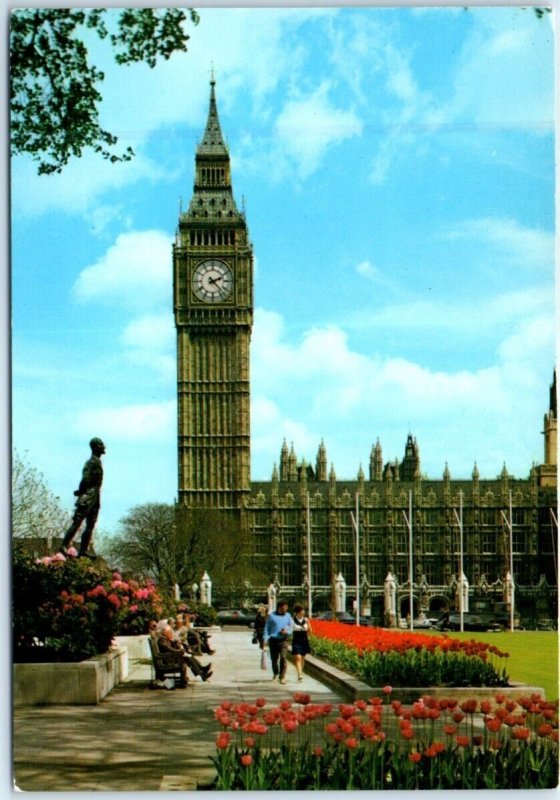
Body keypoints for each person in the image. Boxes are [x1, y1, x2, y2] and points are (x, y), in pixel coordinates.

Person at [60, 437, 106, 558]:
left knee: (90, 524)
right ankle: (64, 545)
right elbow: (85, 479)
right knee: (78, 521)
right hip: (88, 495)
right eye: (101, 445)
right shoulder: (91, 462)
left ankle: (83, 550)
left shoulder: (97, 461)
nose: (104, 447)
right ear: (96, 447)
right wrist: (81, 491)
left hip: (95, 495)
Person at [263, 598, 293, 684]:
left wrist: (287, 631)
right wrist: (265, 638)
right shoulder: (271, 616)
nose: (286, 609)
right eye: (285, 607)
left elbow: (291, 627)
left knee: (283, 658)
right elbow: (266, 628)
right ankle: (275, 673)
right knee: (274, 660)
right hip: (273, 640)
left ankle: (282, 676)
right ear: (280, 607)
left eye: (287, 607)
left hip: (284, 640)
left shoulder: (288, 616)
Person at [291, 604, 312, 682]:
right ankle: (300, 674)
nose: (303, 612)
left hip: (304, 640)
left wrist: (309, 624)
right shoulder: (292, 619)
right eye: (302, 611)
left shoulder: (306, 620)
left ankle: (300, 672)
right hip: (296, 639)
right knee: (298, 657)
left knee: (302, 658)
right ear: (298, 612)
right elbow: (290, 629)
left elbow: (310, 631)